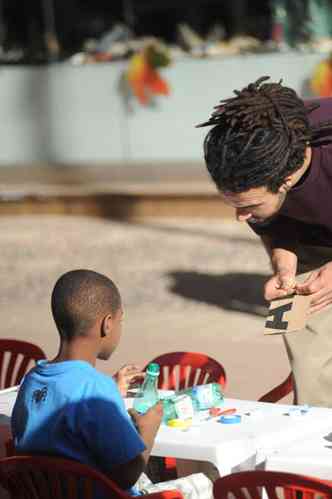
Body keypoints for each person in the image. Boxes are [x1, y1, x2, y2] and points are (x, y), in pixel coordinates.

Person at [11, 269, 213, 499]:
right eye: (120, 320)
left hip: (49, 492)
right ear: (107, 324)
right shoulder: (97, 390)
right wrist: (148, 431)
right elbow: (127, 475)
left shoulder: (32, 379)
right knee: (208, 482)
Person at [199, 76, 332, 407]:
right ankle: (313, 444)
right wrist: (283, 265)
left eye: (249, 207)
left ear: (285, 181)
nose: (240, 217)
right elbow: (272, 221)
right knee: (306, 359)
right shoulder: (255, 154)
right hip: (315, 241)